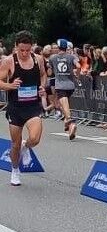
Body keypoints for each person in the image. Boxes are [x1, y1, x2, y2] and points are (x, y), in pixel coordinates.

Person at [0, 30, 47, 186]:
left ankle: (26, 147)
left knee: (35, 138)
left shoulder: (38, 59)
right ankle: (14, 170)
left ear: (32, 48)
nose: (25, 53)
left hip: (33, 106)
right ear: (16, 47)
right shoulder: (8, 61)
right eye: (22, 50)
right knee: (14, 144)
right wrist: (10, 85)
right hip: (15, 108)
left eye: (28, 50)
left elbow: (43, 75)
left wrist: (42, 87)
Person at [49, 39, 80, 140]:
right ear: (66, 47)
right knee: (64, 106)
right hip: (70, 85)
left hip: (60, 85)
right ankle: (68, 125)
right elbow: (78, 66)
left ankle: (70, 123)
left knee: (64, 106)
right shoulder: (71, 57)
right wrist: (77, 74)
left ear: (58, 47)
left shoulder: (53, 58)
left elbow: (50, 71)